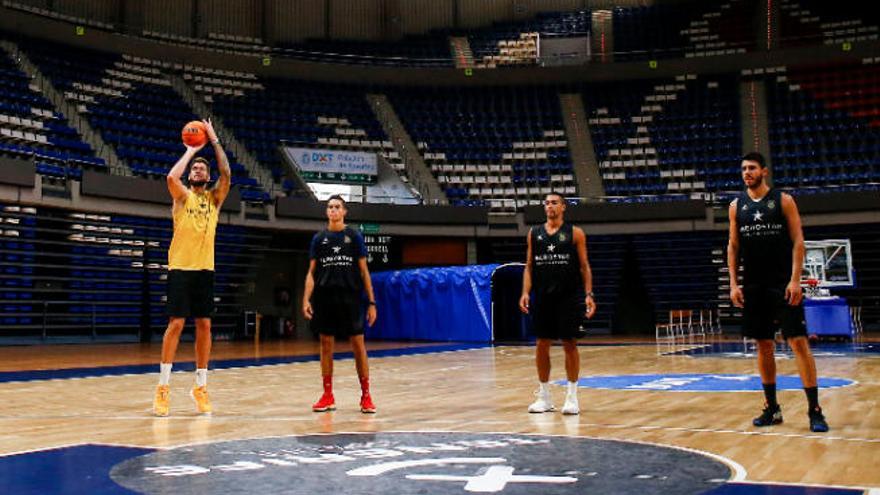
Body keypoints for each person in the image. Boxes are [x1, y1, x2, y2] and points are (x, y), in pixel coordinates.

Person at [727, 152, 829, 432]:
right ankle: (772, 408)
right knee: (763, 344)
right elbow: (733, 247)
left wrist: (795, 280)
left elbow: (798, 241)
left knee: (798, 342)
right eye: (744, 169)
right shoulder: (737, 206)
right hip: (753, 285)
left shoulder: (783, 200)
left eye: (752, 168)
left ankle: (815, 410)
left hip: (783, 283)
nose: (747, 172)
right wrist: (734, 284)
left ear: (764, 171)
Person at [152, 119, 230, 417]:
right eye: (194, 168)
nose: (197, 170)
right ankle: (163, 387)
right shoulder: (183, 196)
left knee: (205, 325)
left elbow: (226, 172)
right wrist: (190, 150)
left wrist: (213, 138)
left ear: (207, 177)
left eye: (201, 168)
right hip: (180, 267)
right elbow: (171, 178)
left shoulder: (214, 198)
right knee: (176, 324)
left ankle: (200, 385)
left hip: (205, 270)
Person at [519, 192, 595, 415]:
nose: (550, 206)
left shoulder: (575, 233)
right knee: (542, 343)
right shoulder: (534, 233)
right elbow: (529, 266)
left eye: (554, 203)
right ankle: (544, 396)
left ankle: (572, 397)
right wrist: (525, 292)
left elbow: (584, 266)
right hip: (542, 297)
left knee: (569, 343)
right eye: (547, 203)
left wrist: (589, 294)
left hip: (568, 296)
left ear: (563, 207)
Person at [303, 195, 378, 413]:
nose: (333, 210)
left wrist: (371, 302)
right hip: (325, 297)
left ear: (344, 211)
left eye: (337, 207)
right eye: (330, 207)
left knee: (358, 344)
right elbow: (311, 272)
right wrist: (306, 298)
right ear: (327, 212)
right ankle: (327, 395)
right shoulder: (319, 239)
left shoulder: (354, 236)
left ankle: (366, 395)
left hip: (351, 297)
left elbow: (364, 272)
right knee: (325, 345)